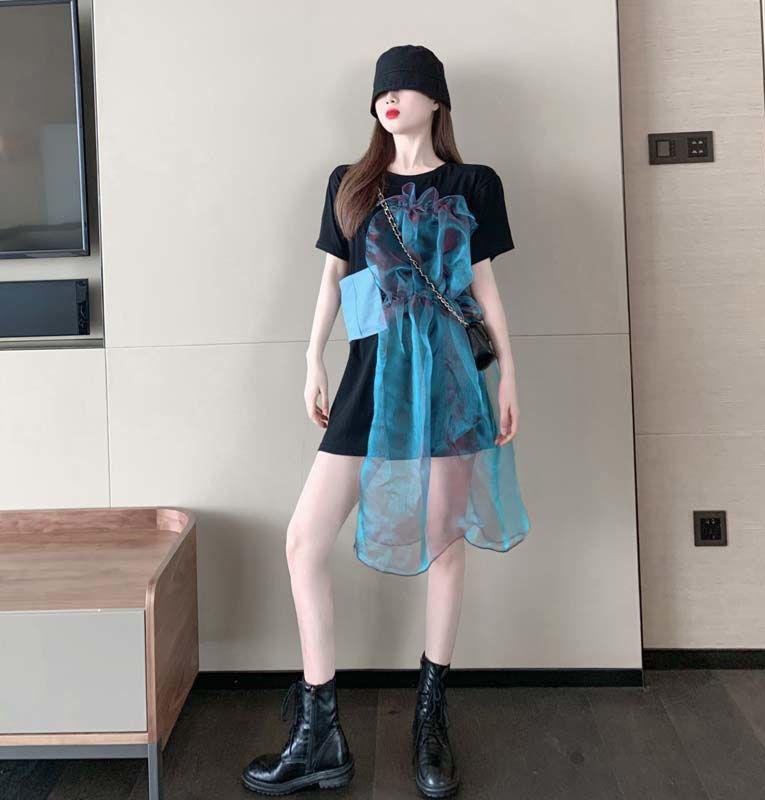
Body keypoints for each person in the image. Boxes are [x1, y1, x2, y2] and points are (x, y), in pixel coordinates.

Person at [241, 44, 531, 798]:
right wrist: (312, 357)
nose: (391, 98)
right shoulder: (350, 184)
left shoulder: (474, 184)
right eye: (382, 90)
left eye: (406, 85)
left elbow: (485, 288)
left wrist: (509, 373)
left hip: (451, 378)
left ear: (437, 100)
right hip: (372, 376)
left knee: (444, 542)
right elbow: (332, 279)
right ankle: (321, 734)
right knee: (304, 540)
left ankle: (430, 720)